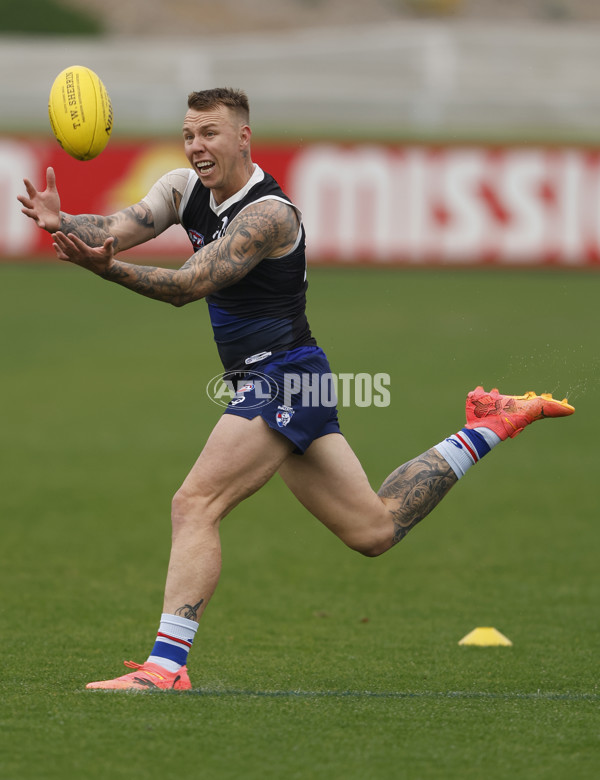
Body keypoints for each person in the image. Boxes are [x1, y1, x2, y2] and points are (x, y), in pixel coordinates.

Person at [18, 87, 575, 691]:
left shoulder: (269, 215)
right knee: (374, 531)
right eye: (188, 134)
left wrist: (103, 268)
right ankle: (489, 424)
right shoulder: (183, 190)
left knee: (195, 503)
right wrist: (63, 221)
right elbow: (118, 228)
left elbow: (187, 286)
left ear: (242, 138)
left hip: (282, 377)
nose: (196, 146)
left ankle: (165, 668)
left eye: (209, 133)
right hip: (285, 380)